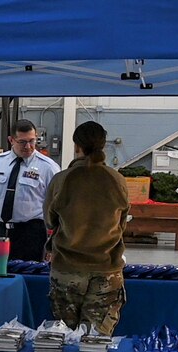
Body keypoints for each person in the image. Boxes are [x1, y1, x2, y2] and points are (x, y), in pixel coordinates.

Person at [44, 121, 130, 335]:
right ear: (103, 146)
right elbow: (122, 224)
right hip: (106, 271)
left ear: (76, 146)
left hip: (67, 271)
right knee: (95, 342)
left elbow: (50, 221)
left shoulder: (62, 180)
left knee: (64, 338)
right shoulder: (117, 180)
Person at [0, 119, 61, 261]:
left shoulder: (49, 167)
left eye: (32, 140)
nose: (28, 146)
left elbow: (58, 207)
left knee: (30, 277)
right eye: (22, 142)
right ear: (11, 140)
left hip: (32, 234)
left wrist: (53, 242)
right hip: (0, 232)